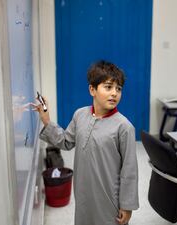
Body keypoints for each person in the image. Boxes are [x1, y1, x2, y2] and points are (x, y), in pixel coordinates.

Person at [33, 60, 139, 225]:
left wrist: (127, 206)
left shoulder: (124, 127)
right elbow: (65, 141)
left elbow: (130, 171)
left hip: (109, 198)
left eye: (119, 89)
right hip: (83, 194)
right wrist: (47, 121)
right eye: (108, 87)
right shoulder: (80, 115)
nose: (114, 93)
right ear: (92, 89)